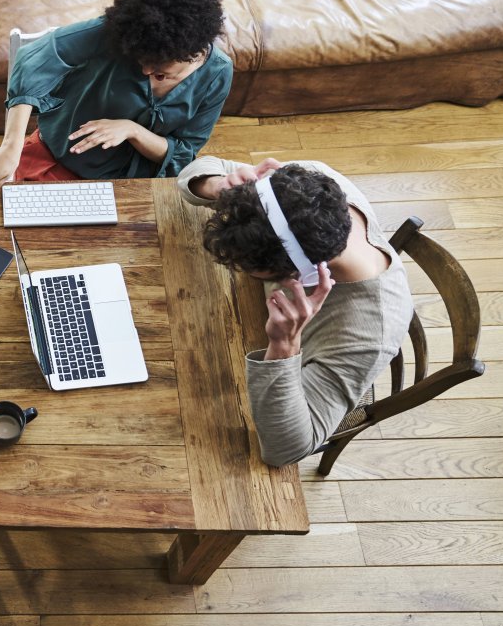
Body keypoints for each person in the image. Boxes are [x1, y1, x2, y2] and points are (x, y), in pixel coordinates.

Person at [177, 156, 414, 467]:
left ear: (304, 278)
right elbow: (196, 170)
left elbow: (286, 450)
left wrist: (285, 345)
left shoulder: (368, 336)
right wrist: (217, 185)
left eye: (250, 270)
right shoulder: (307, 185)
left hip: (253, 378)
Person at [0, 0, 233, 195]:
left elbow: (182, 154)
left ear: (191, 51)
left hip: (137, 185)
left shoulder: (218, 74)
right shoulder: (118, 32)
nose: (146, 72)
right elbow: (30, 61)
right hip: (58, 161)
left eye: (159, 67)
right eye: (141, 60)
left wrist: (132, 130)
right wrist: (10, 146)